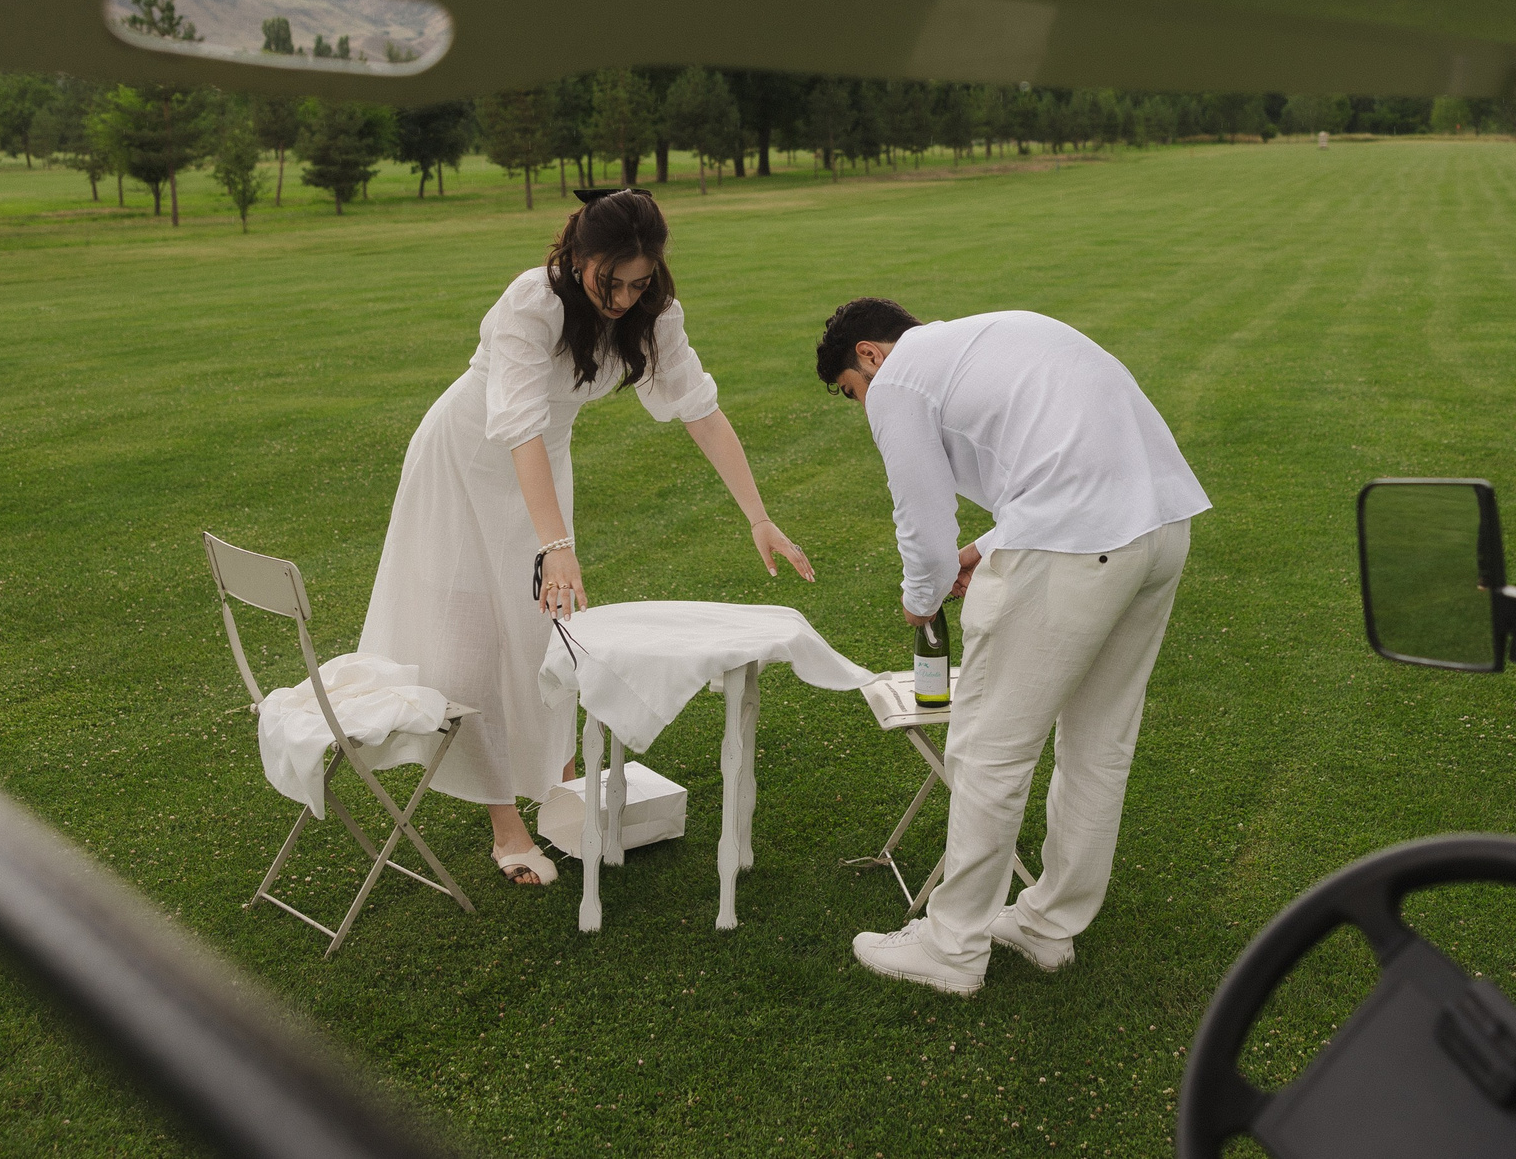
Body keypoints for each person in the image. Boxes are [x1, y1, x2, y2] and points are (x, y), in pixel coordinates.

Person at [359, 190, 814, 886]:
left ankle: (561, 788)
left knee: (547, 638)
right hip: (465, 463)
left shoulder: (656, 311)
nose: (626, 297)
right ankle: (505, 825)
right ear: (578, 255)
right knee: (473, 645)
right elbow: (518, 425)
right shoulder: (530, 303)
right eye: (614, 280)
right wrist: (555, 543)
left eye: (640, 281)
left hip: (543, 471)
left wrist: (757, 514)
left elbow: (701, 410)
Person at [818, 297, 1209, 993]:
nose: (863, 405)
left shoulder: (900, 379)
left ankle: (953, 946)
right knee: (1099, 741)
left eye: (854, 391)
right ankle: (1048, 924)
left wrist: (923, 594)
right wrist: (989, 547)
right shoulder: (997, 332)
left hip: (1079, 540)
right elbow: (1067, 460)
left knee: (988, 745)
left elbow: (922, 518)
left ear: (870, 355)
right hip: (1160, 526)